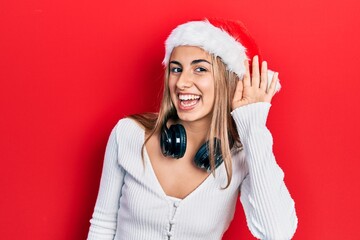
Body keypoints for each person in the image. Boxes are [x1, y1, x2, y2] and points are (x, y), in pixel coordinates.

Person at [87, 18, 298, 240]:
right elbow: (102, 224)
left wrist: (253, 125)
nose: (181, 83)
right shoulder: (128, 134)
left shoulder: (242, 155)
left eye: (199, 69)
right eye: (176, 69)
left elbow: (277, 233)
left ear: (229, 82)